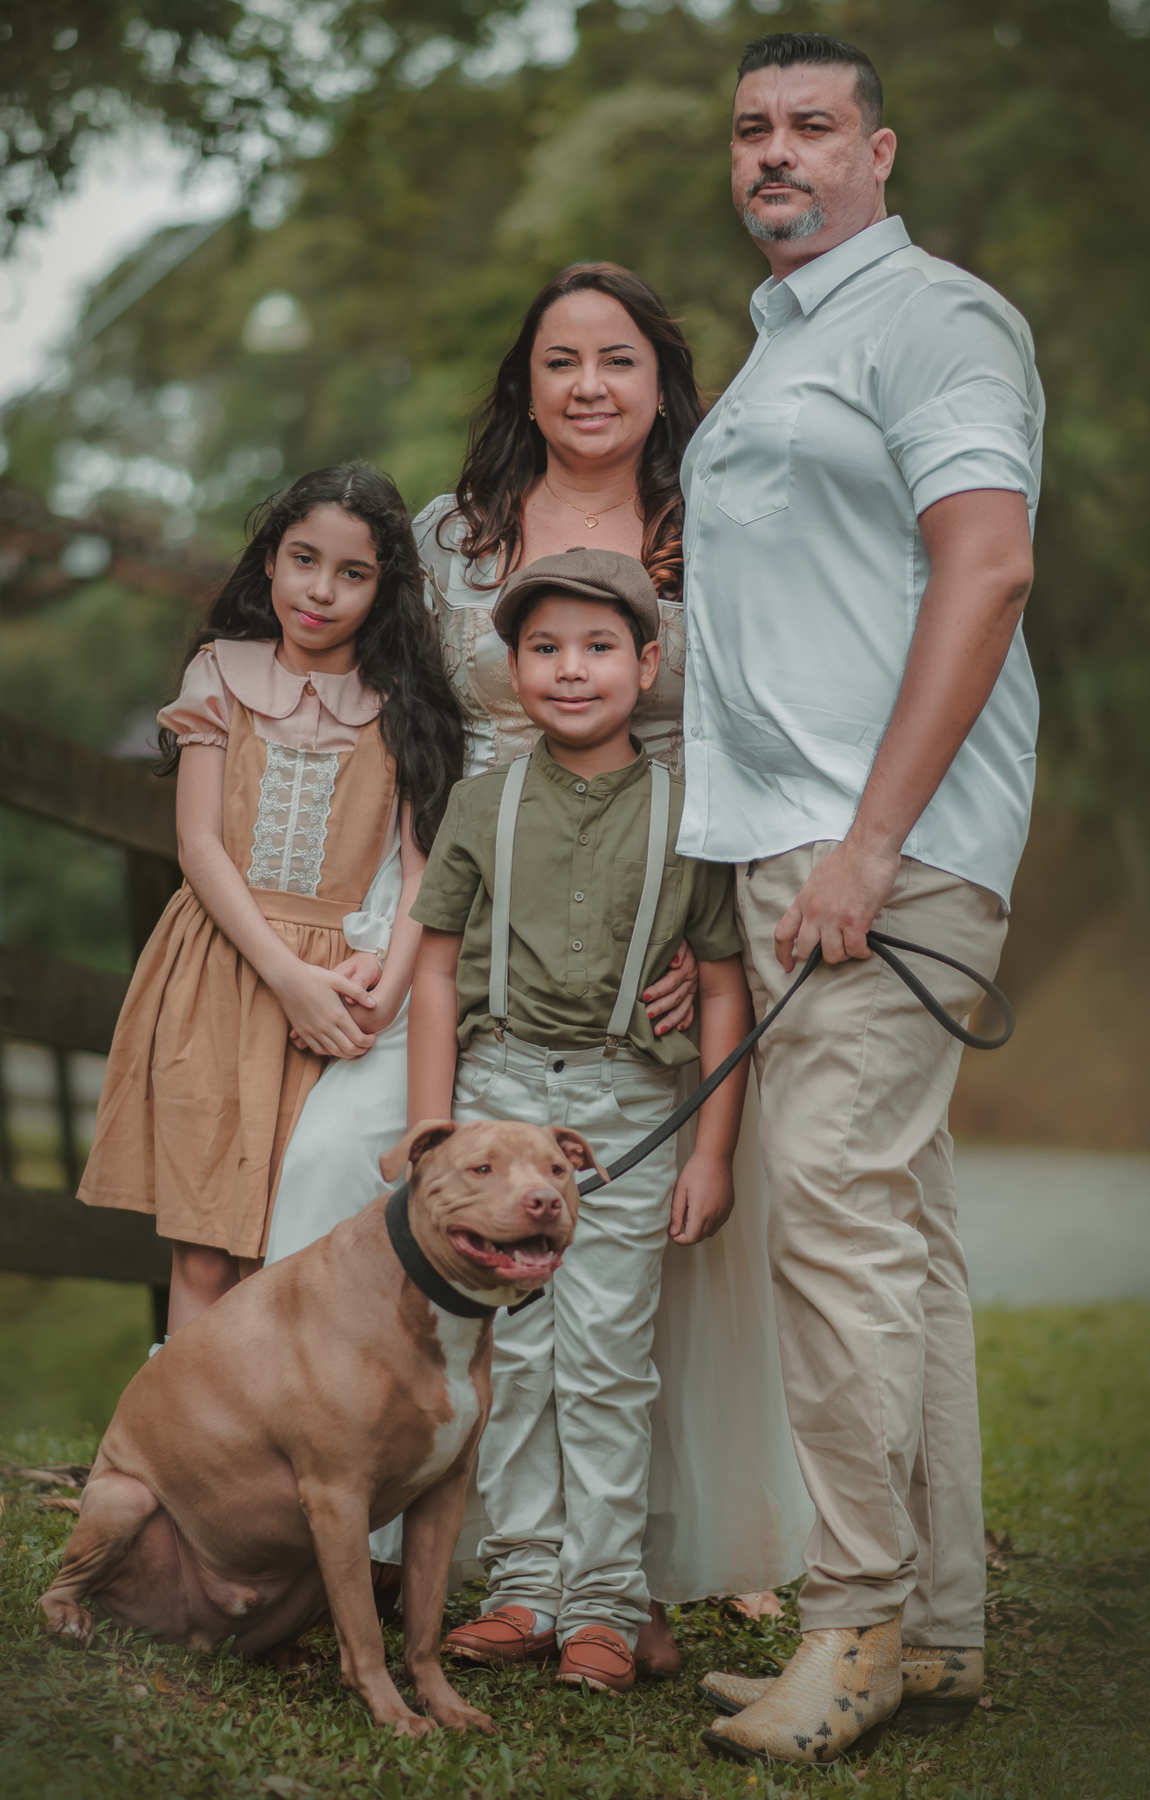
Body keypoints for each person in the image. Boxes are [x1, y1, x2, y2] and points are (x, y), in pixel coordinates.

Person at [265, 262, 813, 1634]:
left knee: (644, 1242)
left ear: (661, 381)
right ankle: (367, 1508)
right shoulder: (456, 533)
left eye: (618, 360)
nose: (587, 387)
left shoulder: (717, 527)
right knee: (345, 1150)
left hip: (657, 898)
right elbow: (396, 718)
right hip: (468, 893)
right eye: (560, 361)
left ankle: (632, 1562)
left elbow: (757, 728)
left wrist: (703, 925)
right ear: (525, 381)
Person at [687, 33, 1043, 1765]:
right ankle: (943, 1629)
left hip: (882, 853)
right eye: (752, 130)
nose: (777, 153)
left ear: (880, 152)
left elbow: (988, 566)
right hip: (797, 848)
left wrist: (871, 838)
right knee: (899, 1230)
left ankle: (855, 1624)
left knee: (827, 1211)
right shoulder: (776, 350)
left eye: (812, 127)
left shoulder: (937, 321)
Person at [407, 548, 754, 1693]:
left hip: (628, 1106)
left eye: (600, 647)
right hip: (497, 1099)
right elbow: (438, 969)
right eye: (545, 649)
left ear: (649, 664)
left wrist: (711, 1146)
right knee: (514, 1349)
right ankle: (521, 1587)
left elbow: (717, 986)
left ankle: (606, 1601)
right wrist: (431, 1137)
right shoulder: (481, 804)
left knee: (608, 1358)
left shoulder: (690, 815)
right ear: (513, 668)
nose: (571, 669)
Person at [78, 464, 463, 1334]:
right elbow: (200, 848)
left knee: (287, 1238)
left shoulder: (403, 708)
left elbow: (421, 873)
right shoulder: (221, 674)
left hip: (339, 996)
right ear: (269, 563)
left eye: (352, 573)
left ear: (384, 587)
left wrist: (382, 1001)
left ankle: (274, 1449)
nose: (320, 591)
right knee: (206, 1242)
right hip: (223, 970)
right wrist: (288, 977)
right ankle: (185, 1451)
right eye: (303, 560)